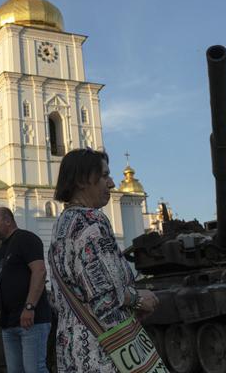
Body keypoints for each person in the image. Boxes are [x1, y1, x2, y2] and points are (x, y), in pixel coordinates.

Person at [48, 149, 159, 372]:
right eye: (104, 175)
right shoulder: (91, 221)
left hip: (72, 349)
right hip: (105, 351)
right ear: (82, 180)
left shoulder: (62, 224)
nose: (111, 183)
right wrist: (139, 299)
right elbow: (105, 296)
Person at [0, 207, 51, 373]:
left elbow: (40, 271)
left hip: (31, 322)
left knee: (35, 369)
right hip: (9, 323)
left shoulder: (26, 239)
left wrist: (29, 307)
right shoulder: (0, 251)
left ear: (8, 220)